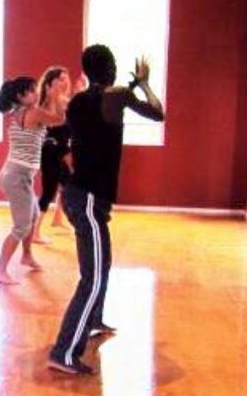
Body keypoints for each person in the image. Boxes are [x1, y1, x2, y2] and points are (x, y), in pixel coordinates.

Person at [48, 46, 164, 375]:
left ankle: (93, 319)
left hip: (82, 196)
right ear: (110, 69)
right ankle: (64, 352)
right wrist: (142, 84)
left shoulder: (79, 102)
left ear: (85, 71)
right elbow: (158, 112)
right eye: (112, 63)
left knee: (103, 262)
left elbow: (67, 142)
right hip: (86, 198)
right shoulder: (116, 95)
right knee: (94, 275)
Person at [0, 75, 67, 284]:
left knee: (33, 215)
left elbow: (39, 128)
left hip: (17, 175)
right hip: (16, 176)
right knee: (21, 226)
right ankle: (0, 271)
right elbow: (59, 120)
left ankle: (26, 256)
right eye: (32, 90)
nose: (36, 93)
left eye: (36, 89)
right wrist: (57, 96)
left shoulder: (17, 112)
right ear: (20, 96)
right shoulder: (32, 112)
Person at [33, 66, 74, 245]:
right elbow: (57, 121)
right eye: (61, 79)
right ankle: (34, 233)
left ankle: (57, 219)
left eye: (66, 78)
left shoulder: (64, 100)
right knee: (49, 191)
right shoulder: (44, 103)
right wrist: (57, 97)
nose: (65, 82)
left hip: (63, 149)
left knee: (66, 184)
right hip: (50, 151)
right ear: (51, 82)